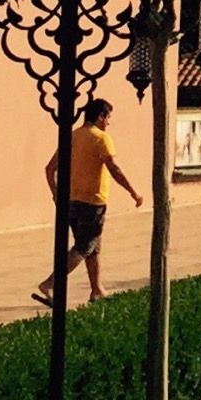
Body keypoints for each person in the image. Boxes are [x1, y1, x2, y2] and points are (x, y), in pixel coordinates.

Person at [36, 96, 139, 306]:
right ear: (101, 116)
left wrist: (56, 193)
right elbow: (114, 168)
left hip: (71, 201)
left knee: (93, 247)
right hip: (93, 202)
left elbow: (50, 169)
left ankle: (96, 290)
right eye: (108, 117)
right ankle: (50, 283)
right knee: (84, 246)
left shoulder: (72, 136)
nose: (109, 123)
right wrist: (133, 192)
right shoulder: (100, 138)